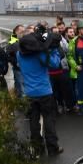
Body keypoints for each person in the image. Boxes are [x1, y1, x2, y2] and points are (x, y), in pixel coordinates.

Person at [17, 25, 64, 155]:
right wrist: (53, 50)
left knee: (33, 121)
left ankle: (37, 148)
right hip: (44, 91)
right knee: (49, 120)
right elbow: (54, 63)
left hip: (29, 93)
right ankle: (52, 148)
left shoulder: (19, 54)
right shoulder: (40, 53)